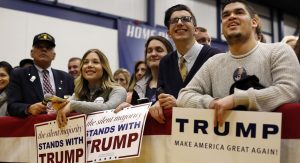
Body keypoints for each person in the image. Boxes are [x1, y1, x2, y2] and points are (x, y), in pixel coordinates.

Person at [177, 0, 300, 127]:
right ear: (222, 28)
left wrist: (237, 99)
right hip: (224, 144)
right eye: (226, 15)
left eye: (239, 12)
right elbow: (184, 96)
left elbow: (290, 91)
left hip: (274, 143)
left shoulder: (278, 51)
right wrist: (213, 103)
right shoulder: (213, 62)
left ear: (254, 22)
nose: (231, 16)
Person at [149, 4, 221, 124]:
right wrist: (158, 102)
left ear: (196, 30)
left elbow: (221, 99)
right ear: (169, 33)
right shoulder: (165, 63)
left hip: (208, 131)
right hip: (175, 134)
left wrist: (179, 103)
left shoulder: (215, 56)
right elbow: (161, 94)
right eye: (174, 21)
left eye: (186, 19)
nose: (180, 23)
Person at [7, 32, 74, 117]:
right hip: (32, 127)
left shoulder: (67, 78)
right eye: (39, 47)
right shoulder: (19, 74)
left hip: (62, 126)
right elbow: (12, 106)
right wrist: (29, 108)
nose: (44, 49)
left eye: (48, 48)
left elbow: (75, 102)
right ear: (31, 53)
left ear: (54, 55)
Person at [56, 49, 127, 128]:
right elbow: (64, 106)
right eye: (85, 62)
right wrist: (56, 105)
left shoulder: (118, 90)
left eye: (95, 62)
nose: (89, 65)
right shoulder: (78, 93)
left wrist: (73, 105)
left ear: (104, 67)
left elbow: (108, 108)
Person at [115, 36, 173, 112]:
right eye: (149, 51)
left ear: (170, 54)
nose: (153, 54)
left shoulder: (178, 82)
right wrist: (129, 109)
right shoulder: (138, 87)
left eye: (159, 50)